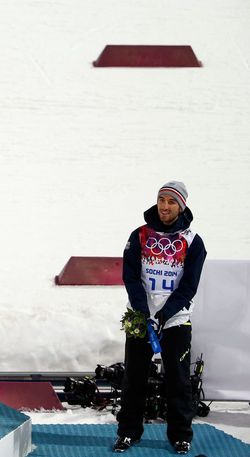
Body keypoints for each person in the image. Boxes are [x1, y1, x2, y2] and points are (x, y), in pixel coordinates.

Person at [114, 181, 207, 455]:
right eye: (161, 200)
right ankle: (128, 432)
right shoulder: (139, 235)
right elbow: (130, 277)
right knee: (134, 378)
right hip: (141, 319)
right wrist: (144, 313)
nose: (164, 206)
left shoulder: (193, 242)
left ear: (182, 206)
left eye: (171, 201)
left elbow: (188, 287)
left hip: (176, 320)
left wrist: (164, 315)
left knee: (178, 380)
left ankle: (180, 435)